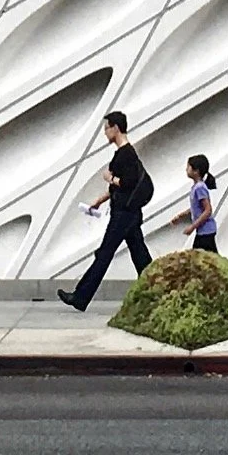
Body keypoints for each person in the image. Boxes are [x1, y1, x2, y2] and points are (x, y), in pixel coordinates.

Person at [59, 111, 153, 310]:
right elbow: (121, 186)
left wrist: (109, 178)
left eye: (106, 128)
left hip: (123, 215)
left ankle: (80, 297)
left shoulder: (125, 153)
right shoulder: (126, 153)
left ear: (115, 128)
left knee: (104, 254)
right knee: (140, 255)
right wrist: (100, 201)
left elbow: (127, 182)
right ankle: (158, 291)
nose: (104, 133)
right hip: (130, 213)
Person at [170, 154, 216, 252]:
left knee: (199, 256)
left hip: (206, 231)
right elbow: (196, 207)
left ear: (196, 171)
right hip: (203, 231)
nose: (186, 169)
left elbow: (207, 210)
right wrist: (181, 216)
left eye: (188, 167)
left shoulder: (199, 188)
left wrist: (192, 226)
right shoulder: (196, 187)